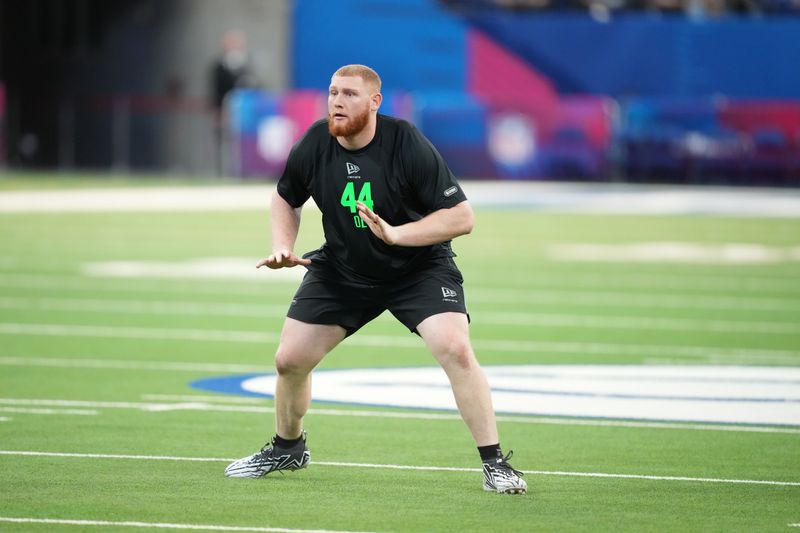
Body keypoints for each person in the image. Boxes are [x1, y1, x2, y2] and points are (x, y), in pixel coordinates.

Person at [224, 64, 527, 494]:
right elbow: (284, 196)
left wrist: (398, 234)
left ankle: (496, 463)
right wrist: (282, 245)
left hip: (417, 269)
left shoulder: (405, 142)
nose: (337, 102)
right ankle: (287, 448)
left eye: (348, 93)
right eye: (332, 93)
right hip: (345, 269)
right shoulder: (315, 142)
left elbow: (462, 217)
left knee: (455, 349)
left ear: (374, 101)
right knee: (289, 360)